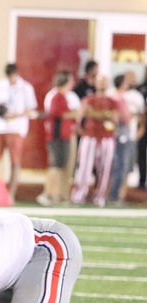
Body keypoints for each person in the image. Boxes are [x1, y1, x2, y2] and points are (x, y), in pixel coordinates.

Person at [0, 63, 37, 202]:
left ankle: (11, 195)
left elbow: (31, 109)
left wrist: (13, 115)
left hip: (16, 129)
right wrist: (3, 112)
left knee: (15, 162)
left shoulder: (26, 88)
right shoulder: (0, 85)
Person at [72, 76, 119, 206]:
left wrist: (95, 114)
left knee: (105, 169)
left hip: (107, 137)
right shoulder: (89, 99)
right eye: (100, 81)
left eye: (104, 81)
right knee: (84, 167)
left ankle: (99, 197)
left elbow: (115, 117)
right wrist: (104, 114)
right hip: (90, 136)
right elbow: (84, 113)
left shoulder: (112, 101)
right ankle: (79, 195)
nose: (102, 84)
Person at [37, 71, 80, 206]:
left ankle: (57, 194)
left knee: (61, 165)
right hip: (57, 135)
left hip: (64, 135)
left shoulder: (63, 96)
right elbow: (58, 113)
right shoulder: (57, 96)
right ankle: (48, 193)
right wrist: (75, 113)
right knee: (56, 164)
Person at [109, 71, 144, 204]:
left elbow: (140, 116)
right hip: (120, 136)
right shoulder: (116, 96)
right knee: (120, 167)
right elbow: (125, 118)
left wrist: (141, 129)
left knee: (127, 167)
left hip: (130, 135)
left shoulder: (134, 96)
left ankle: (120, 196)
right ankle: (114, 196)